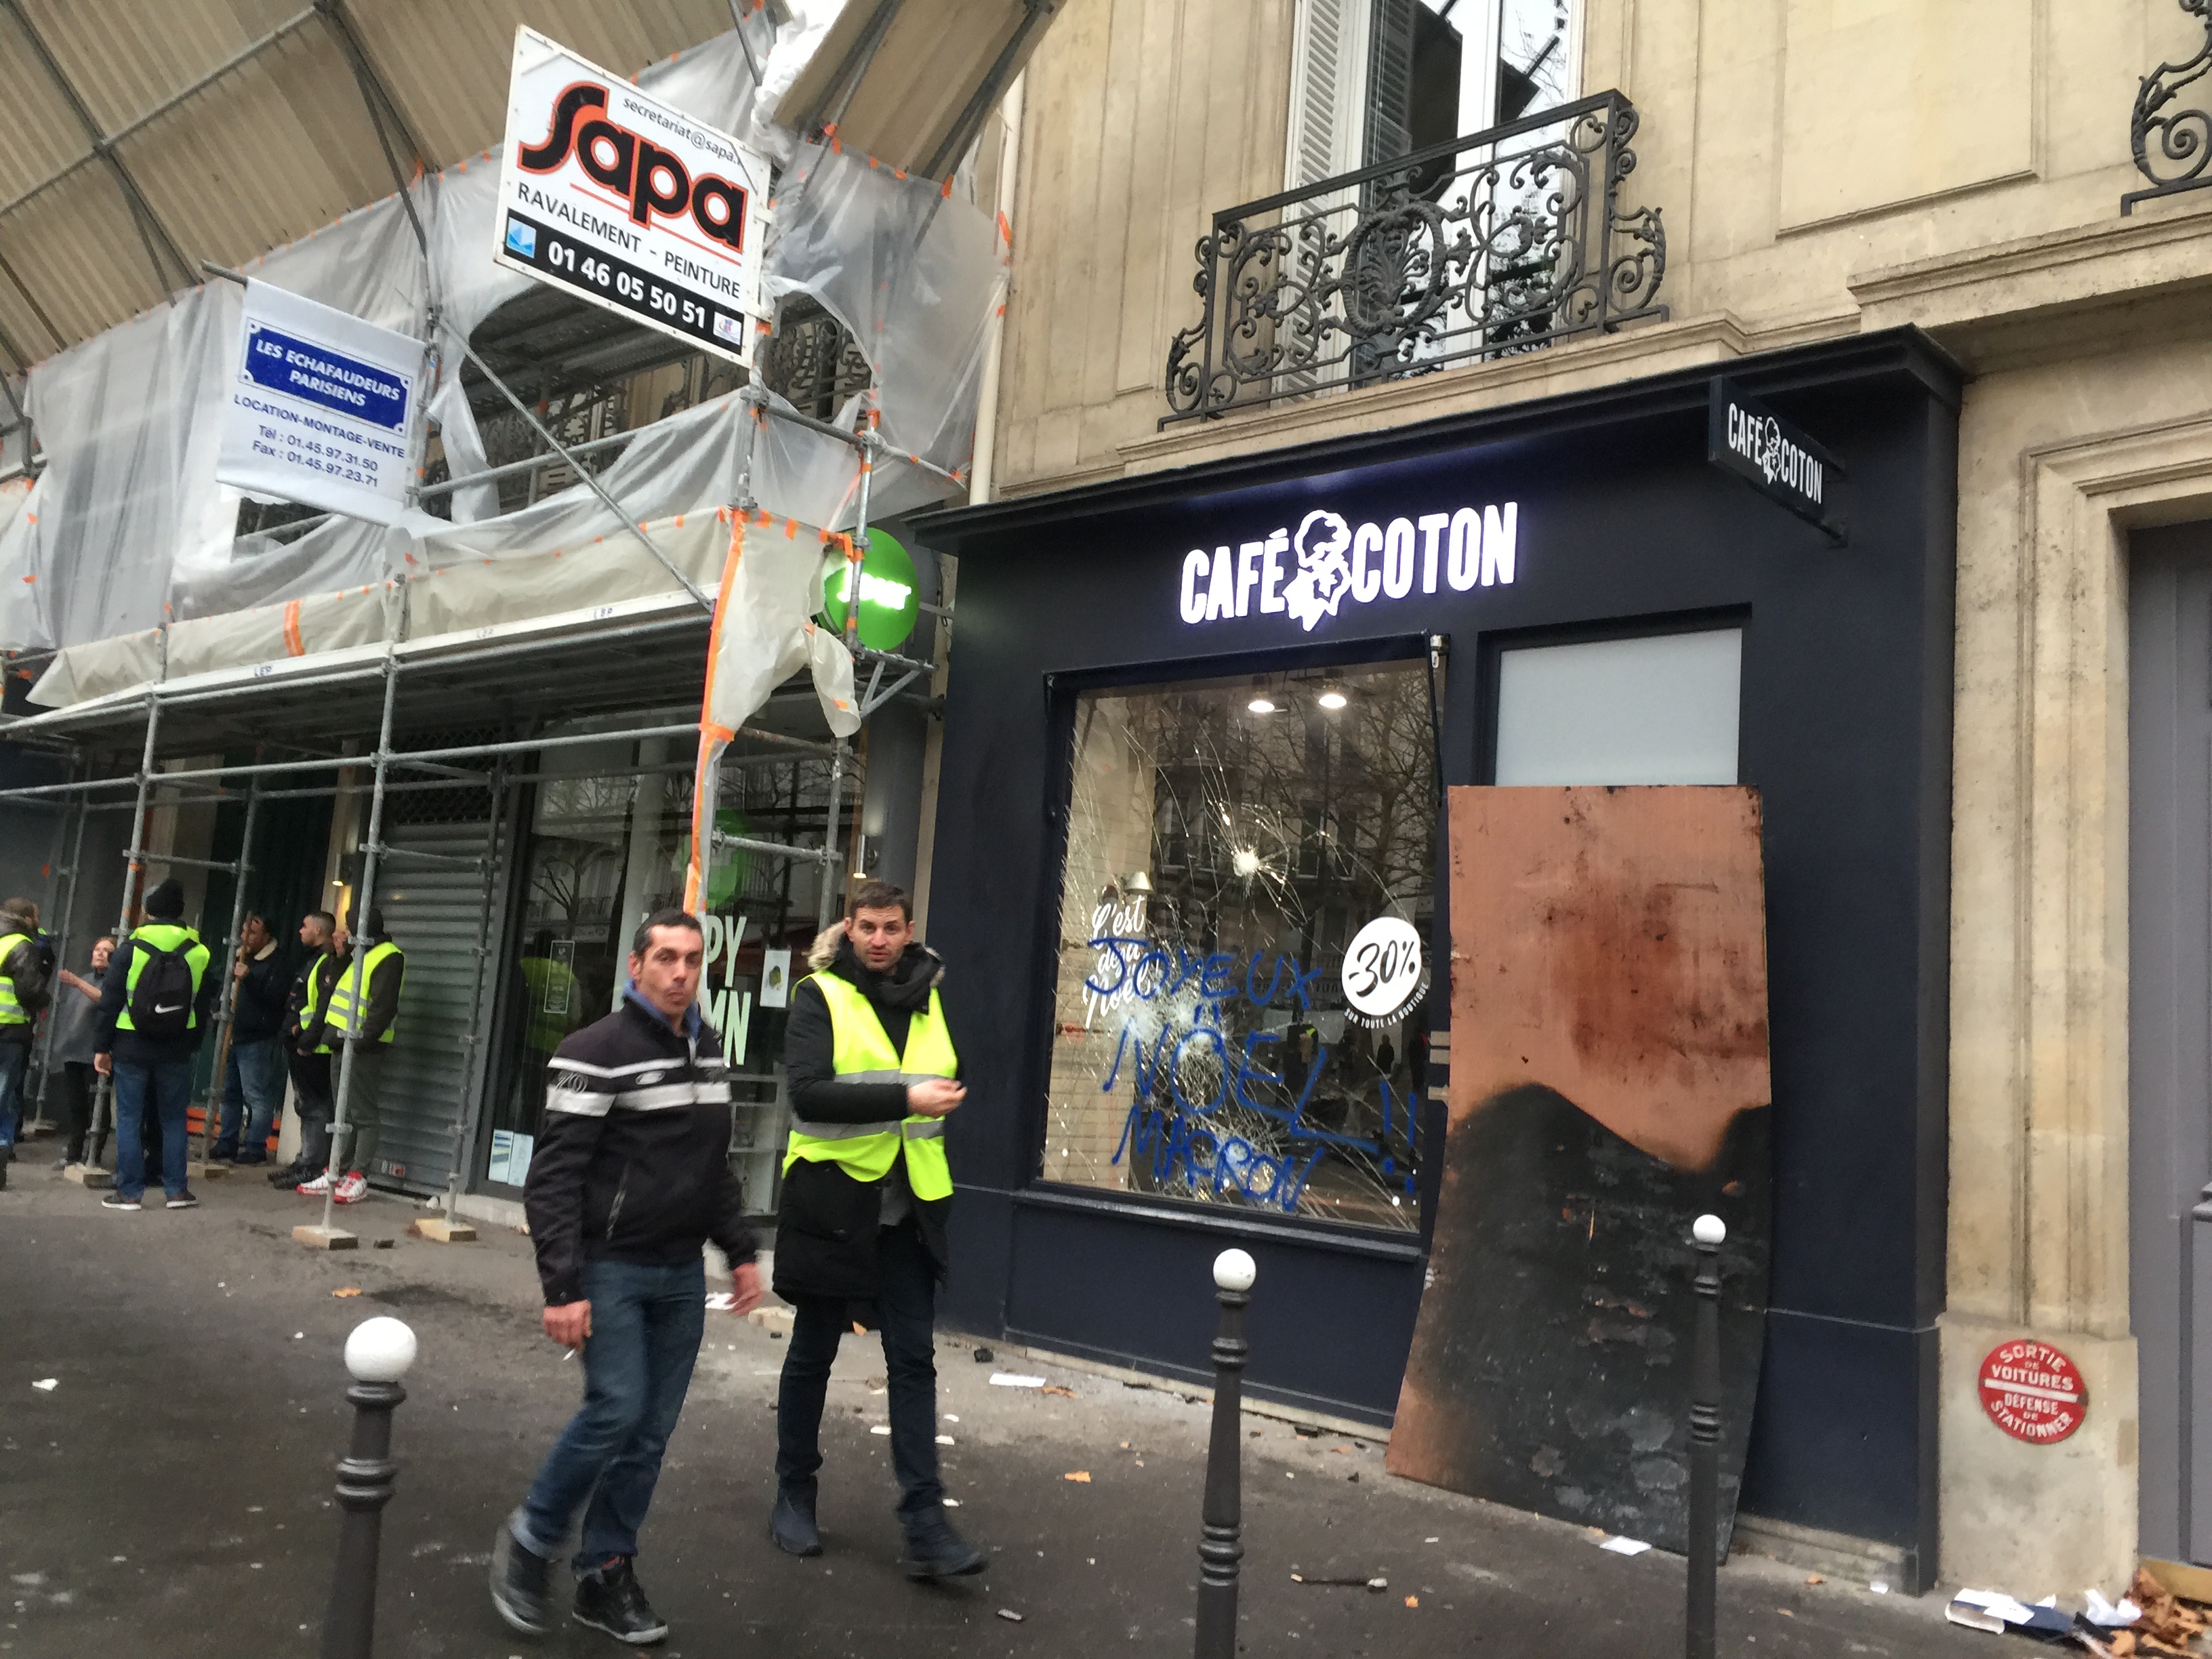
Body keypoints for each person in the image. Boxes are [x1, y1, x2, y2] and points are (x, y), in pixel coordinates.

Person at [489, 908, 762, 1647]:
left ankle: (605, 1570)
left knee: (649, 1433)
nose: (681, 973)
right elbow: (553, 1180)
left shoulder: (707, 1049)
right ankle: (532, 1537)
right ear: (636, 966)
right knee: (616, 1408)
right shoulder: (594, 1051)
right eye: (666, 958)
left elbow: (711, 1167)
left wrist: (739, 1250)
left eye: (693, 960)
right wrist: (562, 1287)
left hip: (680, 1273)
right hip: (609, 1267)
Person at [769, 879, 983, 1580]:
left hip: (910, 1210)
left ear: (909, 929)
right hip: (833, 1204)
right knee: (813, 1353)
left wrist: (940, 1097)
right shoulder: (821, 995)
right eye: (868, 928)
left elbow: (944, 1073)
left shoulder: (930, 996)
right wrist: (909, 1097)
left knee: (913, 1362)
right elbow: (807, 1095)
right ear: (849, 928)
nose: (880, 940)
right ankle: (794, 1493)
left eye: (892, 927)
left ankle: (926, 1524)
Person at [93, 880, 216, 1212]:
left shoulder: (130, 948)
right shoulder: (199, 951)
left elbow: (110, 1000)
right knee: (174, 1119)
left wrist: (102, 1047)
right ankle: (176, 1191)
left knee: (129, 1118)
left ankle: (130, 1193)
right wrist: (193, 1042)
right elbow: (203, 1004)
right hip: (176, 1047)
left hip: (131, 1044)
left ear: (148, 912)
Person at [299, 907, 402, 1205]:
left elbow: (383, 1008)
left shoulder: (388, 956)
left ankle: (358, 1175)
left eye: (350, 925)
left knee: (363, 1114)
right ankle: (338, 1171)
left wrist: (361, 1041)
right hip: (342, 1043)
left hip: (361, 1047)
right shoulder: (361, 954)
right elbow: (335, 988)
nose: (344, 931)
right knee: (343, 1115)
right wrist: (342, 954)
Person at [212, 914, 287, 1166]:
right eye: (244, 931)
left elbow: (275, 998)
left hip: (257, 1036)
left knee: (256, 1094)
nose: (245, 937)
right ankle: (227, 1142)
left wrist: (250, 978)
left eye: (253, 933)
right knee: (230, 1093)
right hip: (232, 1032)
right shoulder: (239, 957)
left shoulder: (276, 963)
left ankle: (256, 1146)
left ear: (266, 936)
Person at [269, 912, 337, 1188]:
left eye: (305, 926)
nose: (300, 930)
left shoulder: (326, 961)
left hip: (314, 1048)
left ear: (318, 930)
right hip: (301, 1043)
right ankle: (304, 1160)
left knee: (315, 1108)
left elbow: (322, 1007)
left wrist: (304, 1036)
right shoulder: (314, 959)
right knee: (304, 1105)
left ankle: (312, 1166)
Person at [48, 935, 113, 1169]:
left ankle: (94, 1154)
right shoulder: (86, 979)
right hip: (74, 1051)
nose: (100, 953)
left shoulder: (113, 982)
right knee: (77, 1107)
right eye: (97, 949)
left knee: (97, 1105)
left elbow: (104, 1001)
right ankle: (74, 1152)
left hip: (96, 1054)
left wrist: (77, 983)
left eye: (107, 950)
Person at [0, 897, 50, 1189]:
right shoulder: (21, 944)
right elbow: (30, 991)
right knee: (5, 1095)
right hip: (9, 1030)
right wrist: (46, 1000)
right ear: (27, 918)